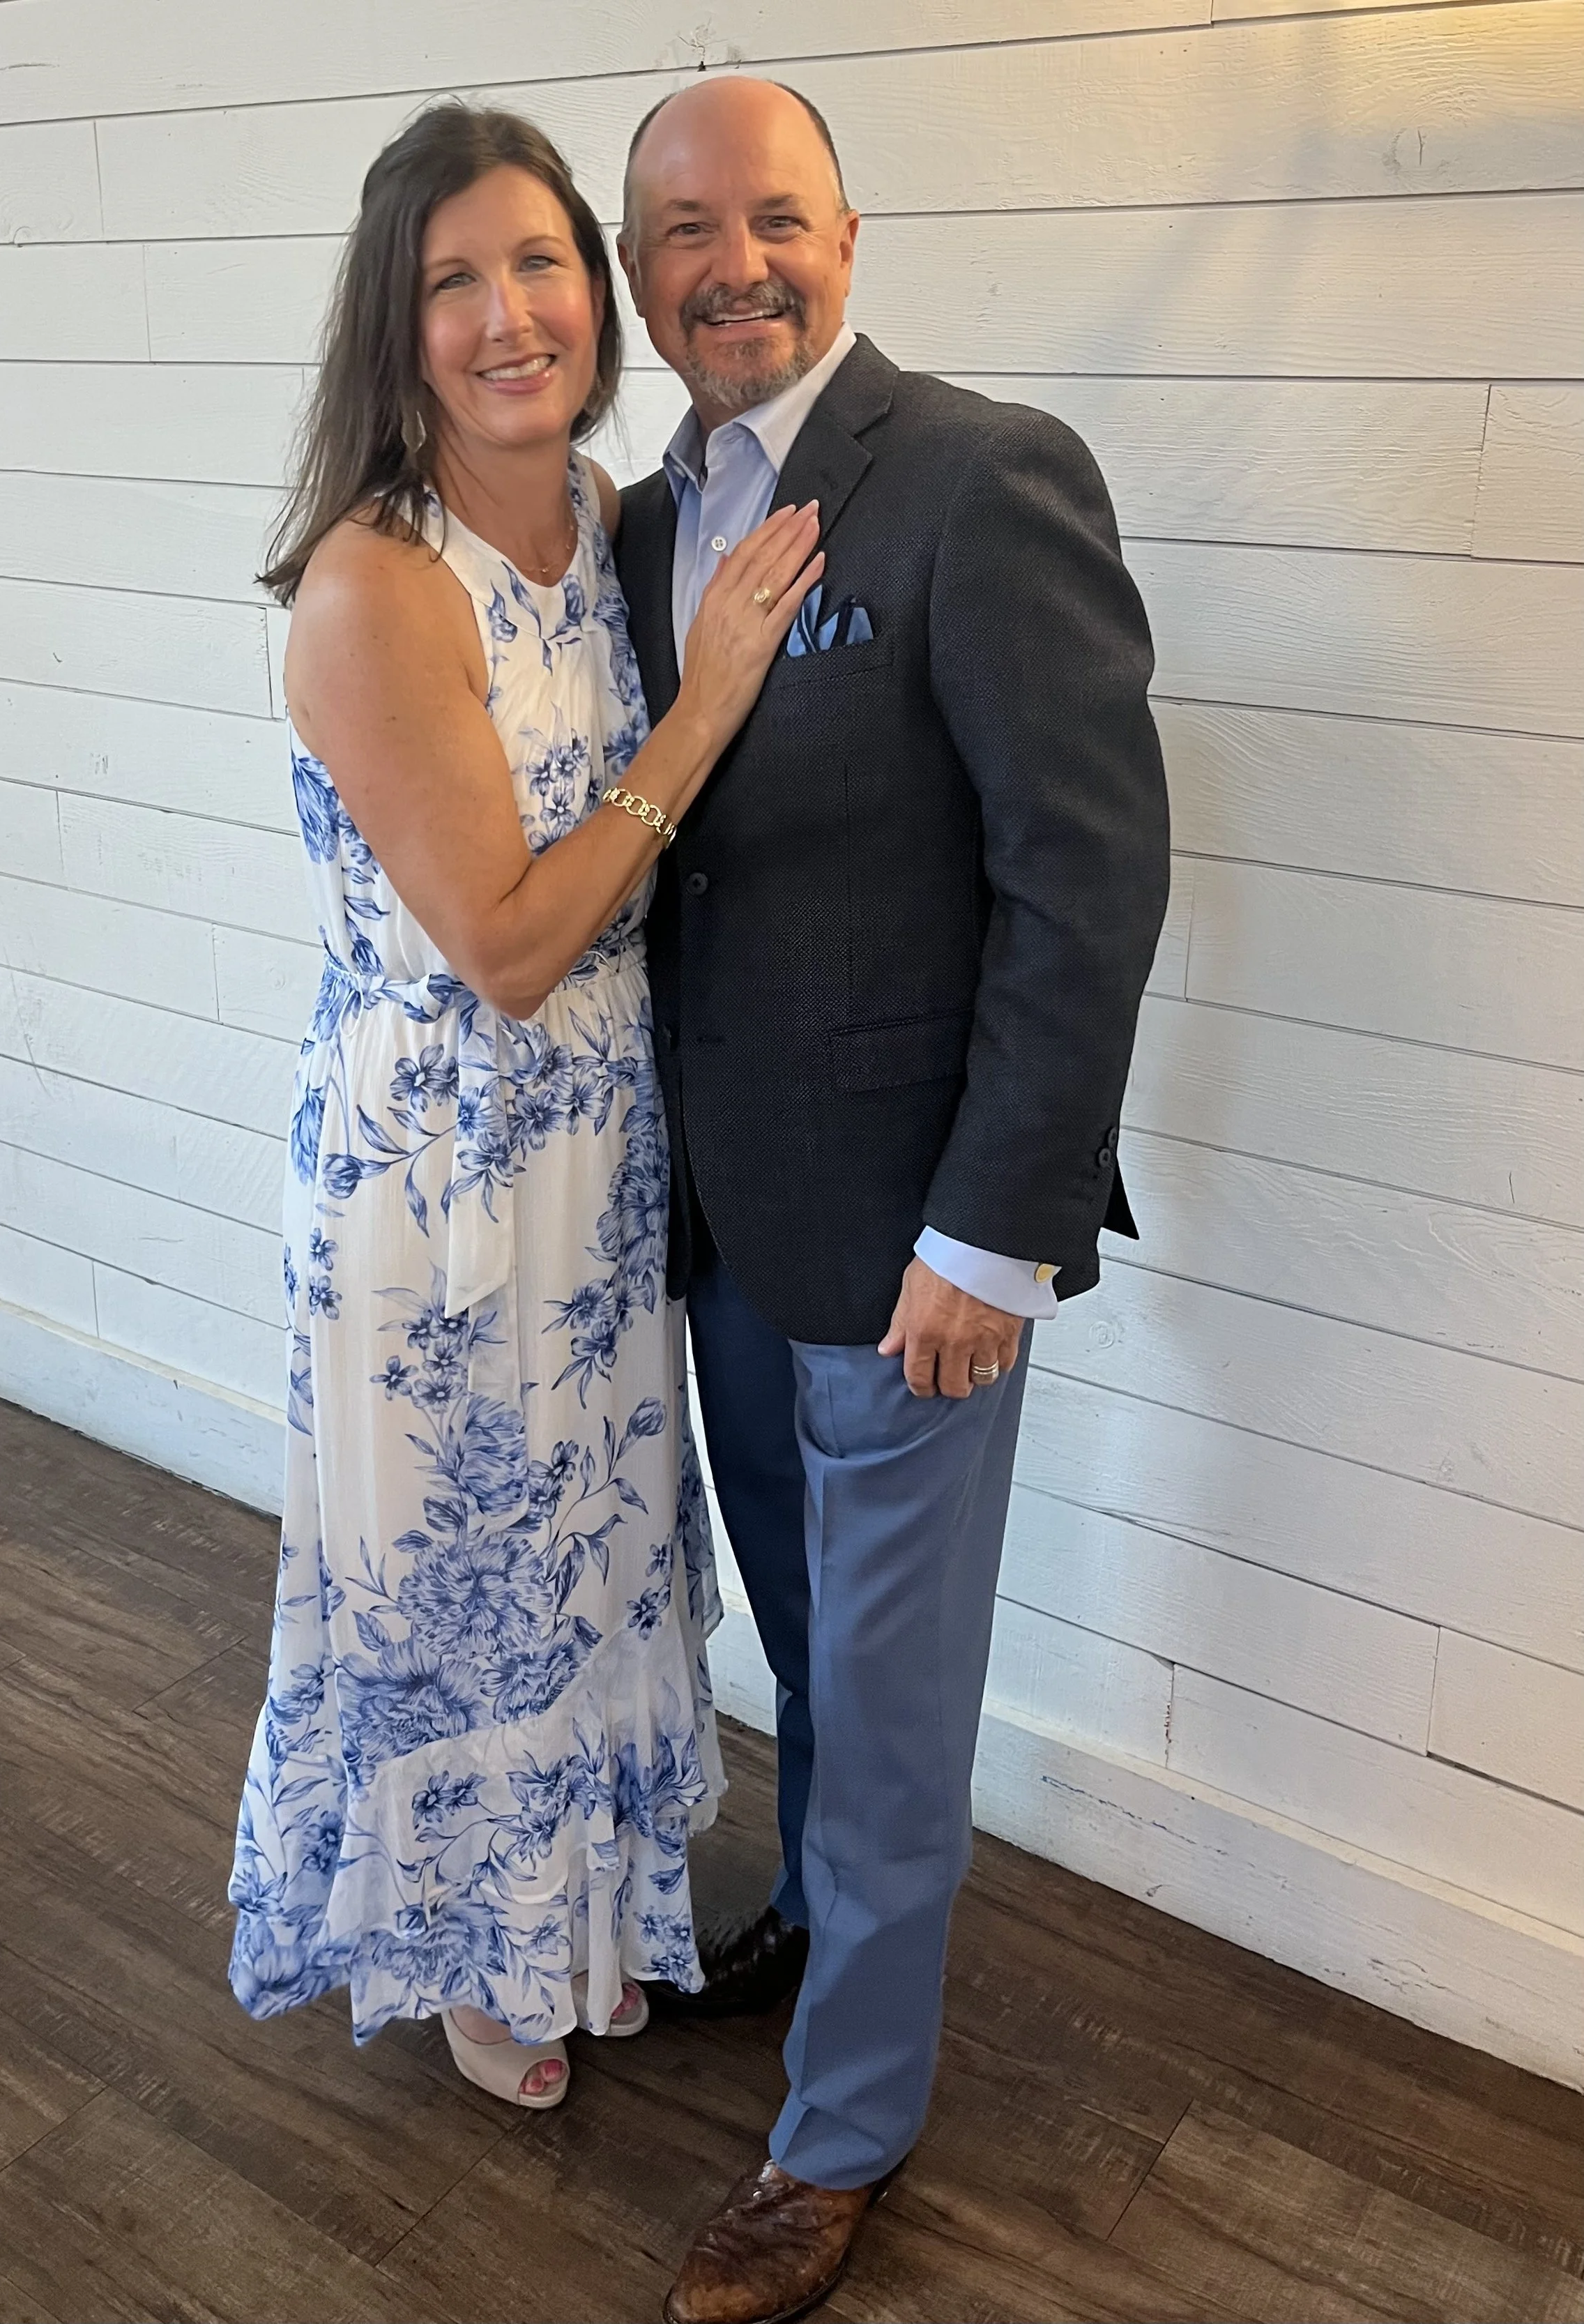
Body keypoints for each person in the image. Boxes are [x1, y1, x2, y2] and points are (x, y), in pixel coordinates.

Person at [614, 77, 1171, 2322]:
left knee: (894, 1689)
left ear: (848, 236)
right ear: (637, 271)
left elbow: (1085, 877)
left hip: (915, 1247)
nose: (731, 262)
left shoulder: (976, 476)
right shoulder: (636, 522)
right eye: (681, 228)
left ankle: (838, 2132)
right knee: (810, 1648)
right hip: (727, 1229)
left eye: (773, 215)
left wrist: (992, 1230)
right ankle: (819, 1926)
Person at [225, 105, 824, 2111]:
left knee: (589, 1544)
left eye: (540, 262)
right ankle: (479, 1955)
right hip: (441, 1164)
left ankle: (578, 1915)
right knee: (460, 1569)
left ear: (597, 284)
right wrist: (709, 701)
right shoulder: (379, 583)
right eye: (453, 282)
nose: (509, 316)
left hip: (599, 1155)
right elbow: (501, 939)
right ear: (393, 331)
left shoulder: (605, 515)